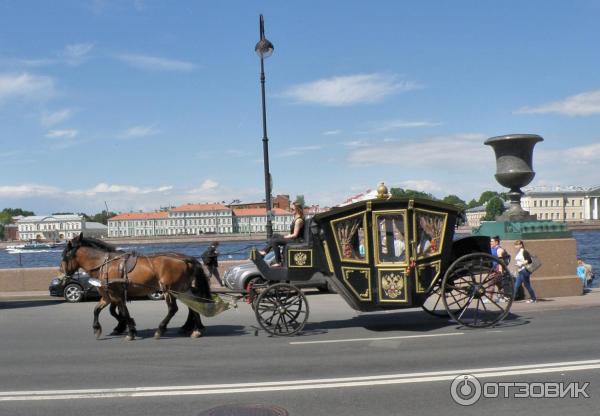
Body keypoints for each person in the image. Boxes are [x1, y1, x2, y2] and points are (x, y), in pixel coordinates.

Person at [258, 202, 305, 267]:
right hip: (293, 238)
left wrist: (286, 237)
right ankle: (265, 251)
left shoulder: (298, 220)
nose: (291, 210)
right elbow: (292, 233)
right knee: (275, 235)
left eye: (292, 209)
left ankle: (278, 262)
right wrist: (286, 236)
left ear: (297, 210)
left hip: (296, 240)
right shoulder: (295, 218)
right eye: (291, 209)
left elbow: (295, 235)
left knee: (275, 241)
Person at [484, 236, 509, 304]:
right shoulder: (492, 249)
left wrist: (500, 270)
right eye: (490, 241)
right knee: (499, 284)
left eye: (492, 241)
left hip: (496, 269)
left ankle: (490, 298)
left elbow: (501, 261)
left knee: (490, 283)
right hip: (492, 269)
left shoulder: (499, 250)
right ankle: (503, 297)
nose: (490, 243)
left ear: (496, 242)